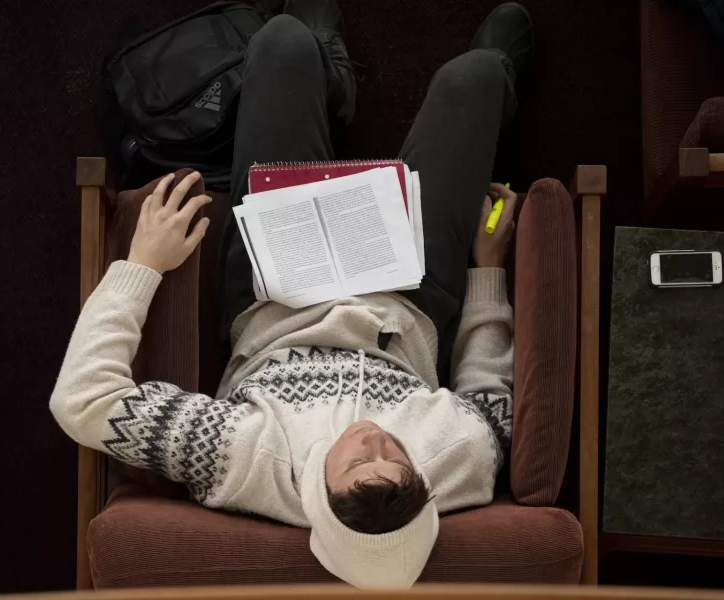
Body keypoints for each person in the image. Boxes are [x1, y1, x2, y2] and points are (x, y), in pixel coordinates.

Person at [51, 1, 530, 588]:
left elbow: (81, 400)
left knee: (283, 43)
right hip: (409, 294)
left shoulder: (245, 460)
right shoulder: (455, 466)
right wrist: (487, 273)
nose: (376, 442)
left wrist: (141, 264)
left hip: (280, 293)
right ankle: (488, 76)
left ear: (318, 498)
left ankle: (327, 75)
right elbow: (489, 398)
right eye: (397, 459)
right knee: (474, 77)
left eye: (359, 462)